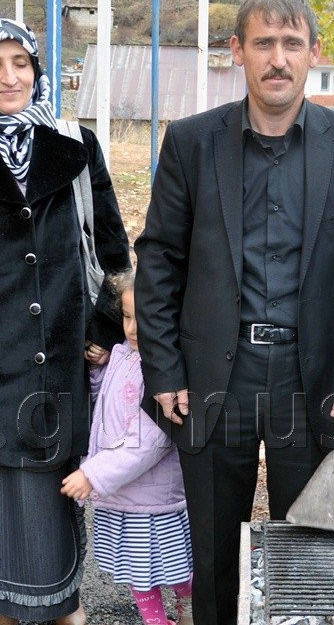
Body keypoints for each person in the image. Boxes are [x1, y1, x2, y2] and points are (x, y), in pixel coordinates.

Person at [135, 0, 334, 625]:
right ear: (238, 52)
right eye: (263, 44)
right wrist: (164, 370)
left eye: (292, 44)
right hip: (214, 375)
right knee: (214, 547)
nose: (278, 59)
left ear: (314, 54)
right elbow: (160, 258)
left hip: (317, 381)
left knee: (306, 545)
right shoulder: (193, 143)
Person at [0, 18, 131, 625]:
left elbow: (113, 251)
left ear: (39, 69)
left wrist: (103, 331)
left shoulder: (74, 144)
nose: (10, 78)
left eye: (21, 63)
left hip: (54, 361)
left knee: (54, 548)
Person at [62, 268, 195, 625]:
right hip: (122, 496)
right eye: (127, 316)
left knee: (175, 567)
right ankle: (157, 622)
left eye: (145, 318)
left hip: (152, 500)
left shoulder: (164, 369)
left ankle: (191, 606)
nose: (133, 328)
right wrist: (98, 372)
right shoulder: (122, 354)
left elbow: (149, 442)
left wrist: (92, 473)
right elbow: (106, 406)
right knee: (139, 573)